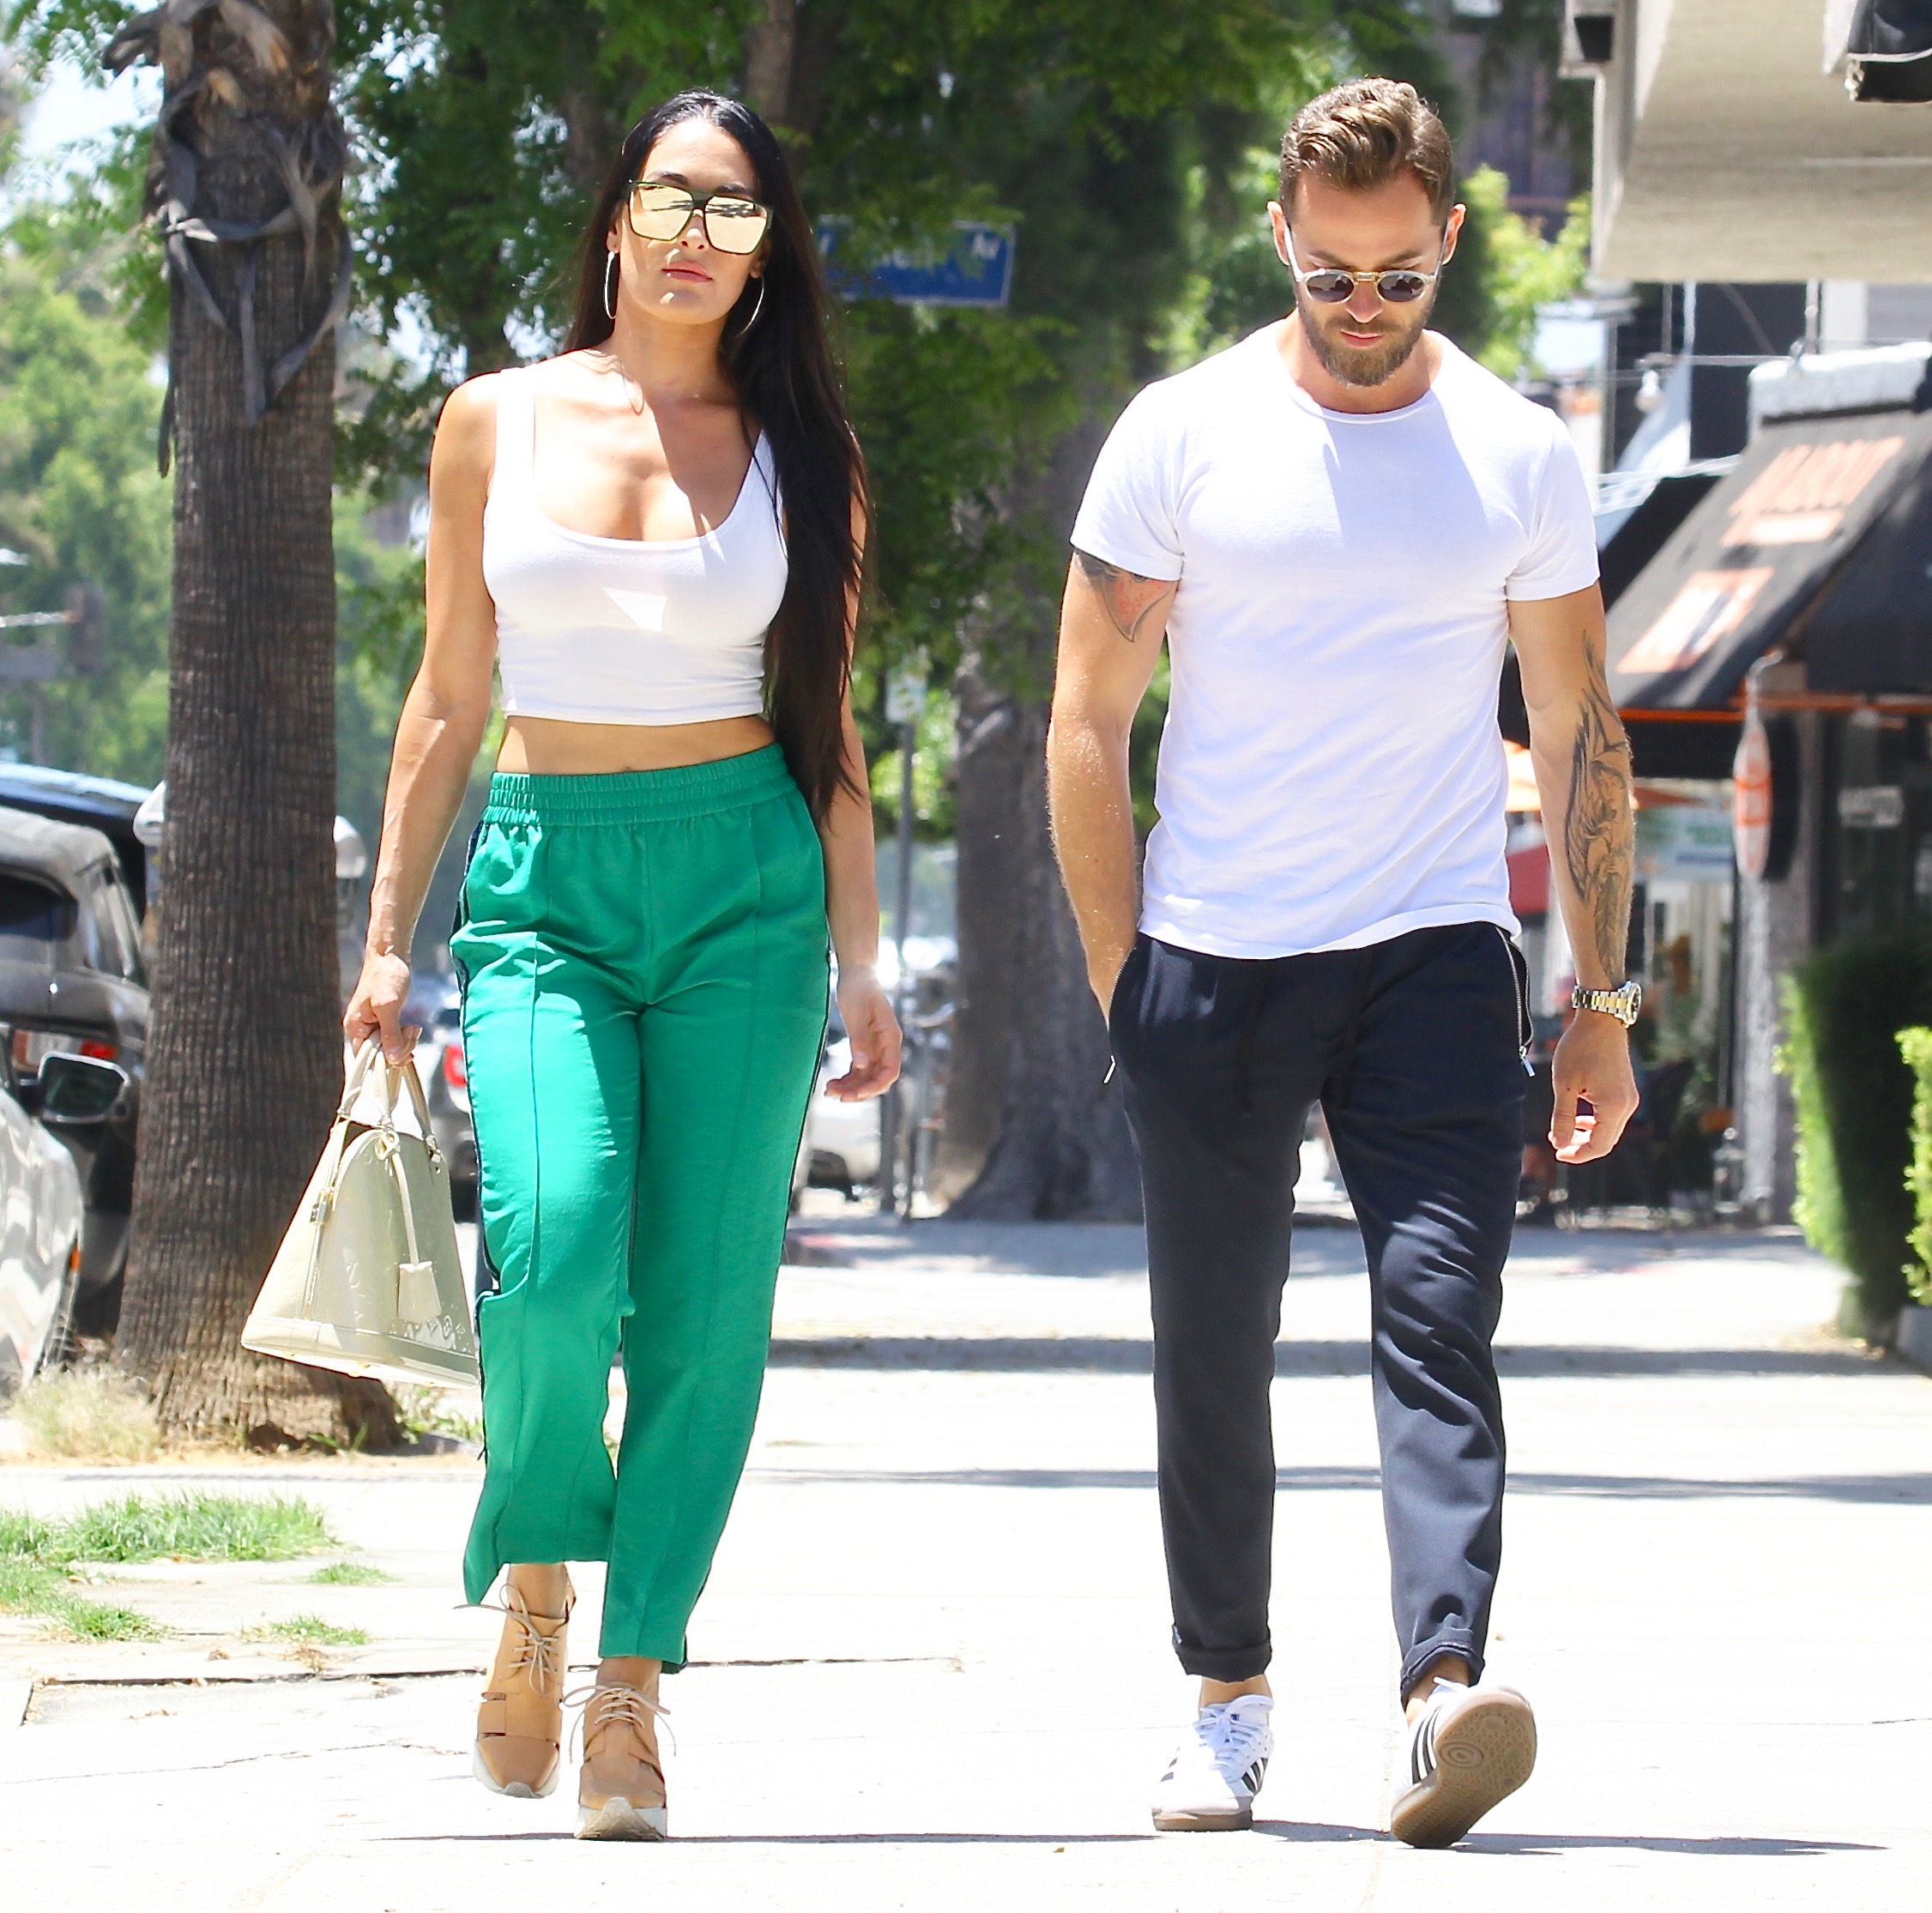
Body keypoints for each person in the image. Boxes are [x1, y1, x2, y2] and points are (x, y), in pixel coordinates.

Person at [1048, 78, 1639, 1848]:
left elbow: (1579, 722)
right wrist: (1119, 978)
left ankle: (1440, 1688)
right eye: (1332, 279)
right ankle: (1224, 1699)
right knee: (1211, 1346)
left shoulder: (1518, 454)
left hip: (1439, 955)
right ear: (1282, 243)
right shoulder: (1182, 431)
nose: (1366, 312)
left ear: (1447, 237)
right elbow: (1085, 717)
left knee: (1440, 1315)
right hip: (1216, 952)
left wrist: (1594, 996)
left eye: (1398, 278)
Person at [345, 89, 900, 1841]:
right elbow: (446, 695)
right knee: (555, 1255)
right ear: (613, 214)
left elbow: (832, 738)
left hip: (744, 882)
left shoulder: (809, 456)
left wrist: (866, 966)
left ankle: (632, 1691)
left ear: (766, 253)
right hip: (540, 880)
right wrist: (382, 940)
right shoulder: (494, 421)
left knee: (708, 1303)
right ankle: (532, 1570)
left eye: (734, 213)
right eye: (672, 197)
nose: (693, 235)